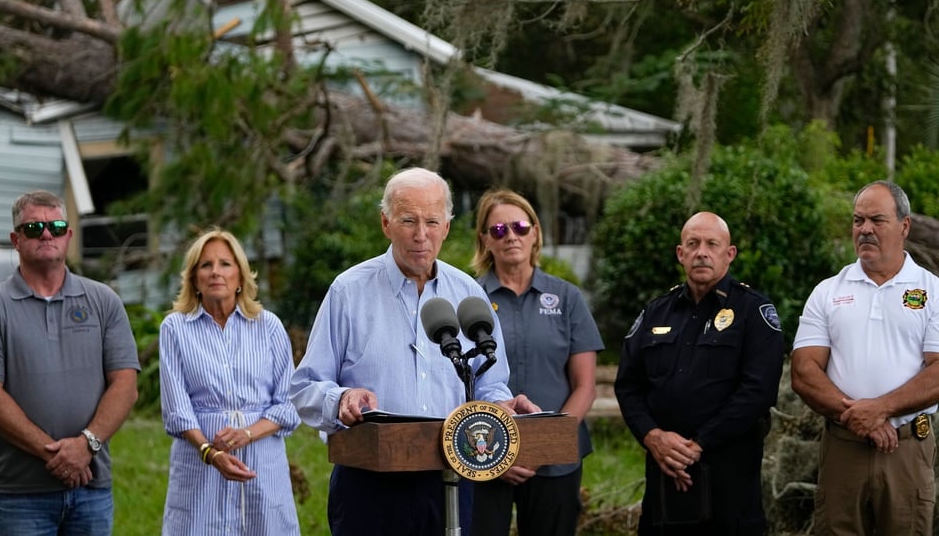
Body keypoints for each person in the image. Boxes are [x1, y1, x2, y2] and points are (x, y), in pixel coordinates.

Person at [290, 167, 539, 536]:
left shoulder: (468, 293)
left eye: (432, 221)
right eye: (408, 220)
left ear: (448, 227)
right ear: (386, 223)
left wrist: (500, 405)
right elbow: (305, 387)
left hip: (451, 479)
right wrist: (341, 398)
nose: (421, 235)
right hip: (369, 484)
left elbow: (489, 383)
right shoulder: (348, 291)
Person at [0, 190, 140, 535]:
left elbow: (126, 386)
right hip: (21, 494)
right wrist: (56, 454)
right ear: (16, 239)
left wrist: (87, 444)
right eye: (33, 228)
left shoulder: (103, 301)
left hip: (91, 488)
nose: (46, 234)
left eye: (56, 226)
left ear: (68, 236)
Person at [614, 211, 784, 536]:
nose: (701, 252)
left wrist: (699, 444)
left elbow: (757, 392)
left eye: (712, 244)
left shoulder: (753, 311)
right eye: (693, 244)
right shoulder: (656, 311)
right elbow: (628, 386)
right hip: (664, 480)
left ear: (729, 254)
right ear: (681, 254)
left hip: (729, 484)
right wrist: (653, 437)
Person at [791, 180, 939, 535]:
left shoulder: (931, 290)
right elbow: (804, 371)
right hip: (844, 447)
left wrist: (882, 409)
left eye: (877, 220)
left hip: (906, 450)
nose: (865, 229)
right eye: (858, 221)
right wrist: (862, 418)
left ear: (904, 226)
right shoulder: (828, 292)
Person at [468, 188, 604, 536]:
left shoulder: (567, 297)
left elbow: (585, 386)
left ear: (536, 233)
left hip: (556, 460)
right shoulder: (468, 300)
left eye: (520, 227)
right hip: (483, 454)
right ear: (484, 240)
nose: (510, 236)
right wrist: (500, 454)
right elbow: (456, 381)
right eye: (498, 230)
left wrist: (542, 446)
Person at [158, 228, 301, 535]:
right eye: (206, 265)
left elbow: (289, 404)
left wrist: (248, 433)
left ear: (240, 274)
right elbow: (177, 410)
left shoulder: (269, 326)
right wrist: (211, 452)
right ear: (194, 278)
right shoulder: (175, 329)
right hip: (201, 460)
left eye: (225, 263)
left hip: (262, 459)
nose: (215, 273)